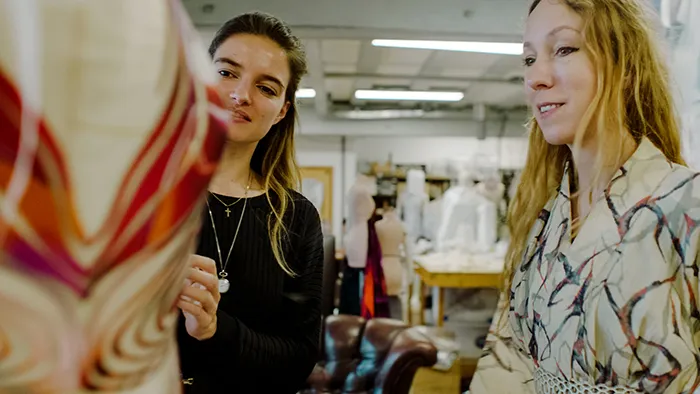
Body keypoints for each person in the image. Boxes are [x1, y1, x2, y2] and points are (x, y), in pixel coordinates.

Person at [470, 0, 700, 393]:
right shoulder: (542, 218)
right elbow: (507, 363)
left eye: (564, 49)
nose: (536, 78)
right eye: (528, 60)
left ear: (625, 65)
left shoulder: (684, 206)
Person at [175, 12, 324, 393]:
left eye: (267, 87)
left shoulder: (296, 218)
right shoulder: (145, 192)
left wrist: (215, 330)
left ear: (283, 111)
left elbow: (300, 356)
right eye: (226, 73)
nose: (241, 95)